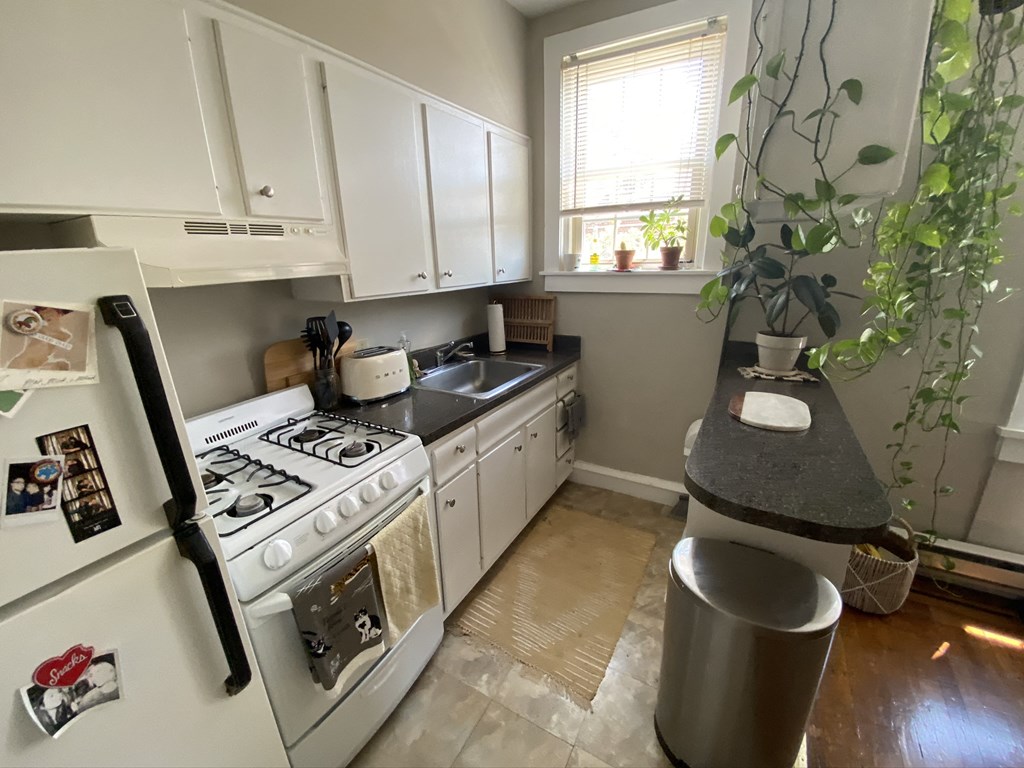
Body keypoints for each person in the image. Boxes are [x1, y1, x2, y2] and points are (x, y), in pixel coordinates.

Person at [5, 306, 75, 371]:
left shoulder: (66, 336)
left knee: (63, 365)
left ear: (59, 314)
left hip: (39, 367)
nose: (46, 315)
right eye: (42, 314)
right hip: (21, 365)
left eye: (49, 312)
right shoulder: (38, 329)